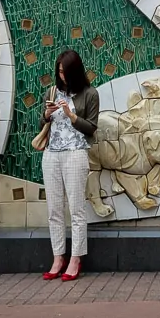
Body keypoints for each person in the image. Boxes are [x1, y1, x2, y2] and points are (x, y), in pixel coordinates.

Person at [41, 49, 99, 281]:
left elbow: (92, 127)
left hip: (75, 153)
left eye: (65, 71)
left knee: (76, 209)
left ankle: (75, 258)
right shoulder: (53, 91)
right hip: (51, 153)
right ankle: (57, 257)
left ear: (74, 71)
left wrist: (71, 115)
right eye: (59, 71)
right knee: (54, 210)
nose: (61, 75)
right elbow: (43, 122)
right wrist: (47, 114)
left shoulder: (90, 94)